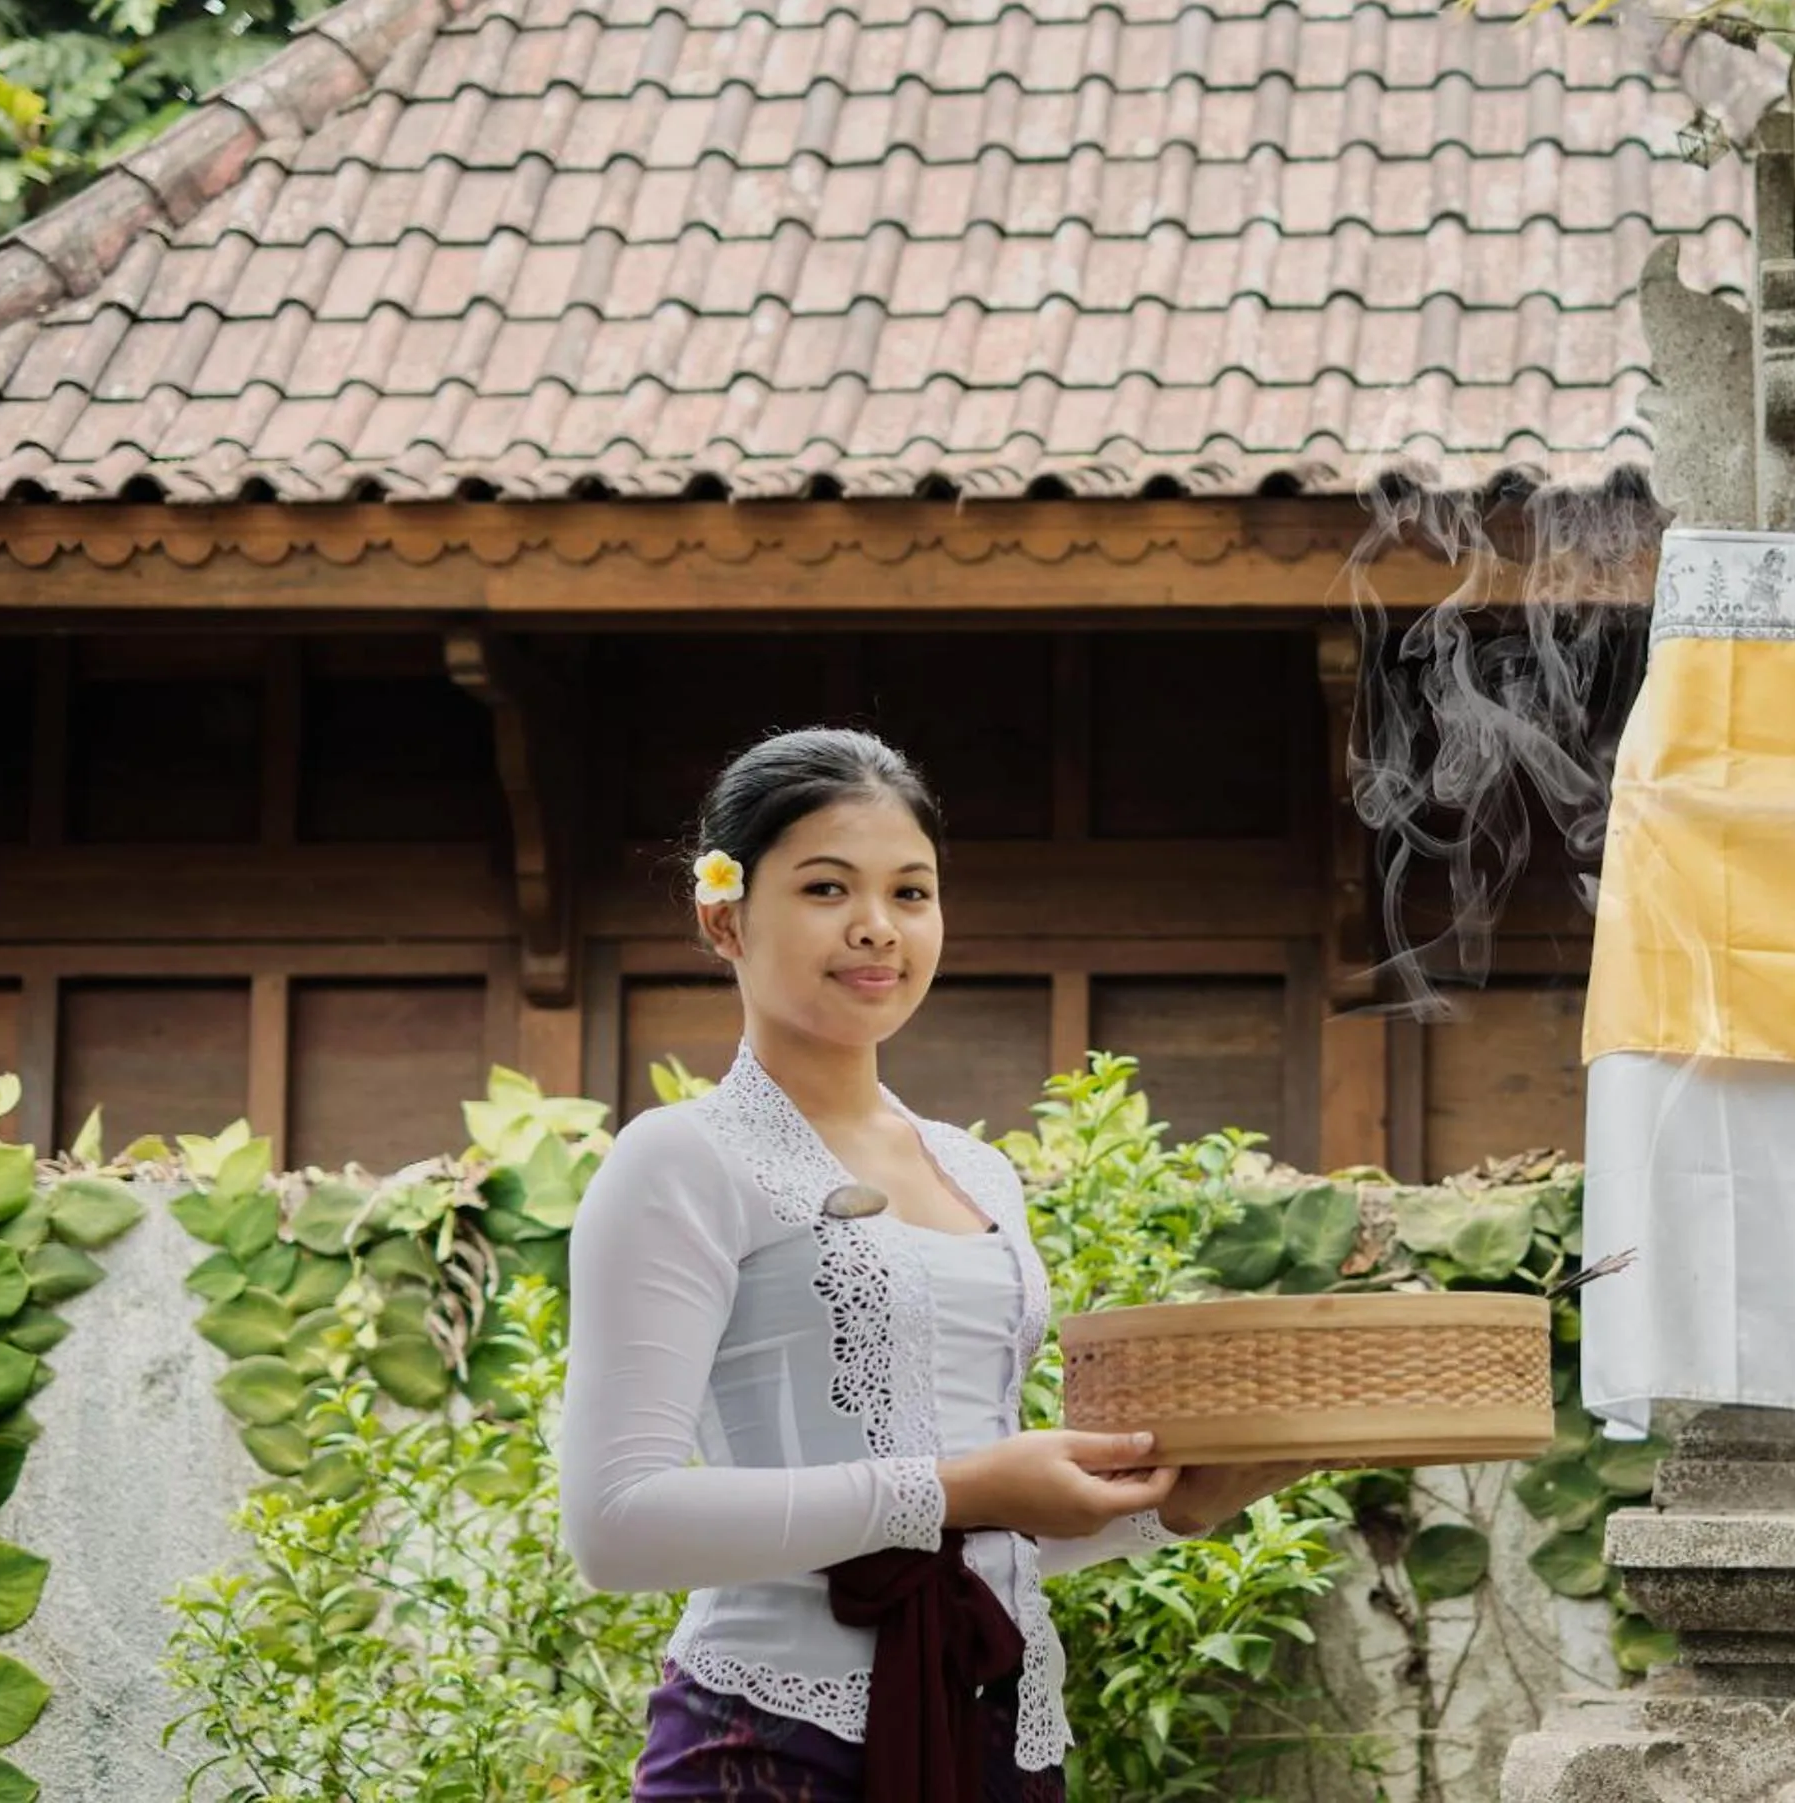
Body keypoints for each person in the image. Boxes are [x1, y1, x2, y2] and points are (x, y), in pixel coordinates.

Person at [560, 727, 1312, 1802]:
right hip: (766, 1747)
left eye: (911, 892)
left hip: (994, 1731)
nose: (877, 927)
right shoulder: (680, 1159)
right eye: (826, 887)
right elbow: (615, 1526)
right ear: (722, 913)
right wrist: (963, 1486)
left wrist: (1172, 1510)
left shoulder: (977, 1172)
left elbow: (974, 1540)